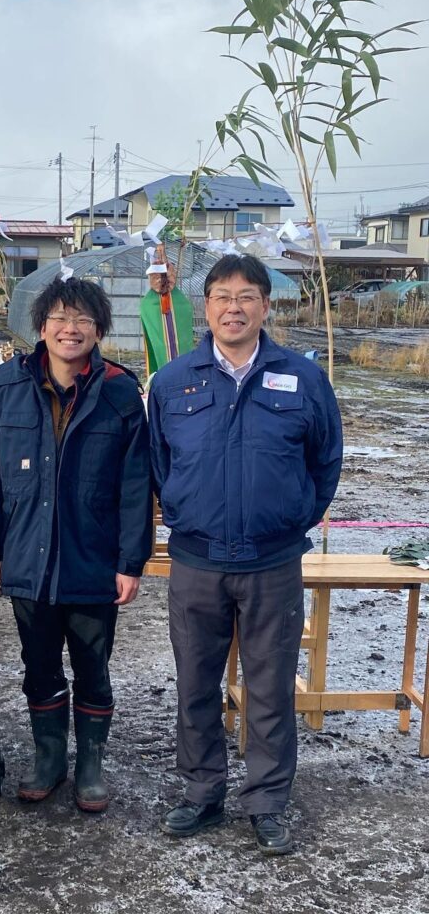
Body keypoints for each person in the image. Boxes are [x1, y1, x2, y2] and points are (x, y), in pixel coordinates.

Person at [148, 254, 342, 856]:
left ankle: (267, 802)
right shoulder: (174, 380)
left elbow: (325, 461)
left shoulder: (302, 378)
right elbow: (159, 465)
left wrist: (288, 518)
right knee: (196, 685)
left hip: (272, 564)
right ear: (205, 306)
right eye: (222, 296)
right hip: (197, 563)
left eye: (247, 296)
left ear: (265, 305)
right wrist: (186, 514)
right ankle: (202, 794)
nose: (234, 307)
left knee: (271, 685)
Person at [0, 277, 153, 813]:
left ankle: (91, 765)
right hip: (28, 557)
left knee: (93, 668)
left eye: (81, 320)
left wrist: (130, 561)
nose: (69, 328)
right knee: (39, 665)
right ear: (42, 326)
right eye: (58, 318)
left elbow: (135, 485)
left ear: (99, 329)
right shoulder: (9, 386)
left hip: (92, 560)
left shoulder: (120, 392)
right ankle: (49, 757)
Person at [140, 246, 194, 377]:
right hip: (157, 313)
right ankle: (163, 376)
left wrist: (163, 254)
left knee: (180, 348)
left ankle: (180, 375)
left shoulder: (179, 300)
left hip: (174, 310)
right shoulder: (149, 302)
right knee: (159, 347)